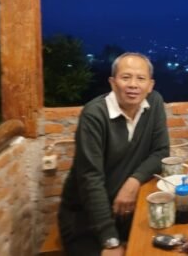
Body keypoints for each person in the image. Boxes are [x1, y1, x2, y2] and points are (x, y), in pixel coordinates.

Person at [58, 52, 170, 256]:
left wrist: (133, 182)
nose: (133, 85)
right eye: (126, 77)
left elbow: (161, 151)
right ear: (112, 82)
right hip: (87, 218)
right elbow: (90, 179)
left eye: (141, 78)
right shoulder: (94, 114)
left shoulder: (154, 102)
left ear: (150, 85)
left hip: (127, 211)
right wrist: (110, 240)